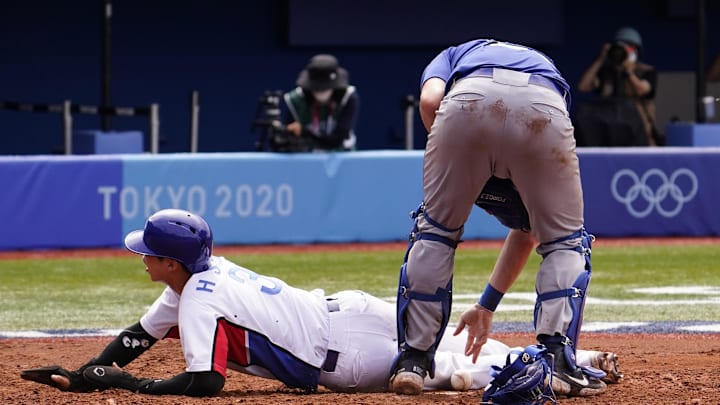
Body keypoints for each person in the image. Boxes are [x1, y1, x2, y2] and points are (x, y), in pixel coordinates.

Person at [20, 209, 622, 397]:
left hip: (341, 355)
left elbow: (205, 384)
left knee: (455, 373)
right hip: (346, 310)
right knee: (447, 346)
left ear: (171, 263)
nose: (141, 260)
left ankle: (557, 376)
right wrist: (84, 376)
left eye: (147, 254)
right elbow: (140, 335)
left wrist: (126, 387)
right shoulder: (205, 275)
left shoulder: (198, 298)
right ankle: (577, 354)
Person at [388, 38, 608, 399]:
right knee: (564, 242)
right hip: (542, 106)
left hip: (466, 104)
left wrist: (460, 160)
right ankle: (556, 362)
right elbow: (529, 233)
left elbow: (430, 102)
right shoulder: (542, 62)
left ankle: (413, 361)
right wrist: (486, 304)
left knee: (436, 234)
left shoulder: (451, 56)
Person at [575, 27, 661, 146]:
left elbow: (642, 90)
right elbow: (583, 86)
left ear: (636, 51)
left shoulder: (645, 72)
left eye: (629, 48)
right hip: (609, 132)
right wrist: (601, 59)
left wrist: (628, 71)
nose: (623, 52)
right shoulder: (607, 73)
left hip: (637, 132)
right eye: (620, 47)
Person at [282, 54, 360, 152]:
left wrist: (306, 132)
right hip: (307, 159)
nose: (322, 93)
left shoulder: (348, 97)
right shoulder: (295, 100)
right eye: (317, 89)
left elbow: (338, 139)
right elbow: (287, 136)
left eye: (326, 88)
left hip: (343, 156)